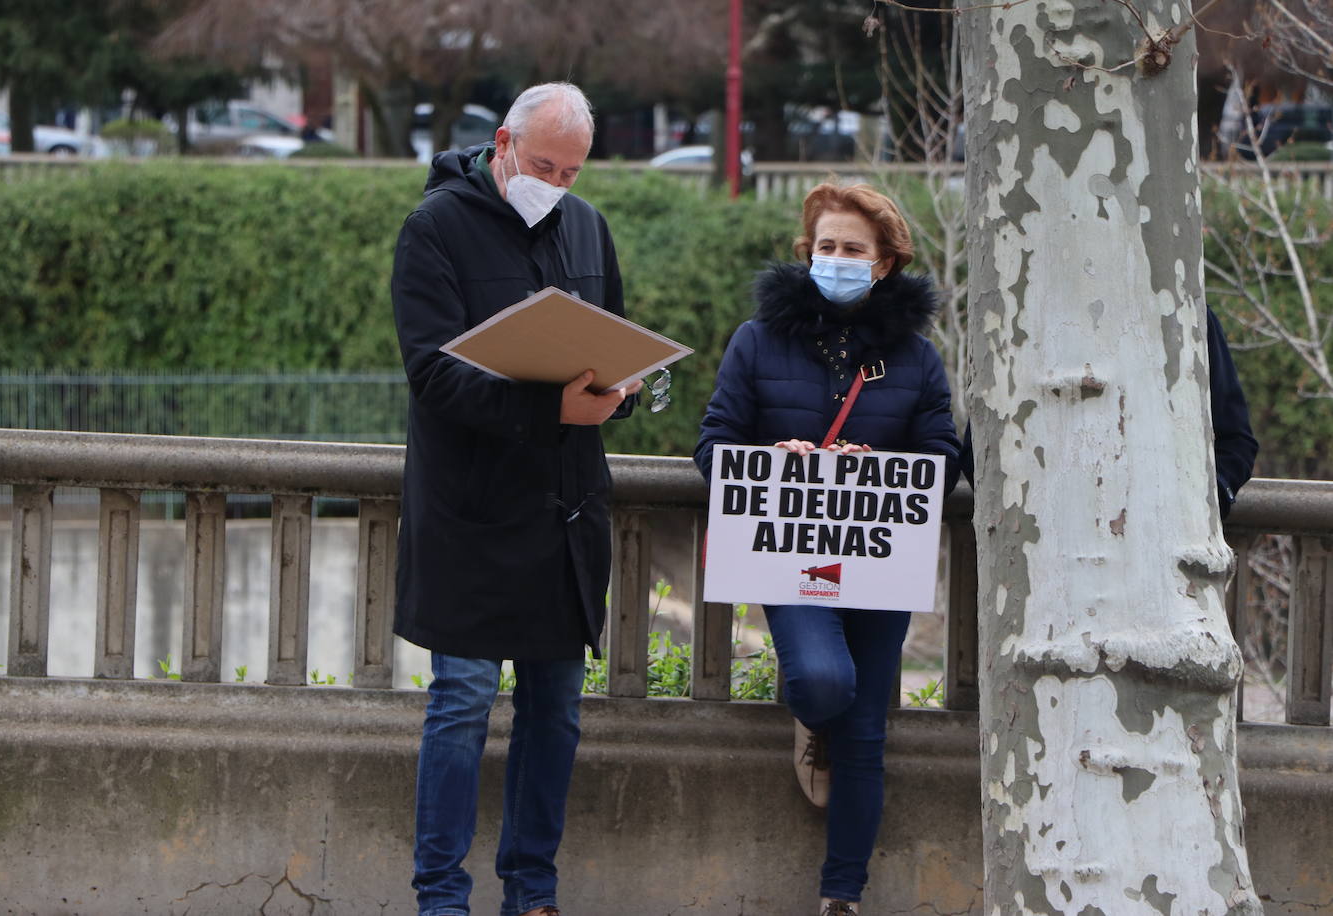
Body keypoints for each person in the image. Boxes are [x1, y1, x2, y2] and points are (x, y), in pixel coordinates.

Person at [390, 82, 641, 916]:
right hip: (470, 511)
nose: (558, 184)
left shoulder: (588, 226)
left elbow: (615, 346)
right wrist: (548, 407)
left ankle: (532, 891)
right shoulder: (433, 228)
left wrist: (625, 392)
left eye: (572, 171)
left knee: (556, 712)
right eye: (544, 165)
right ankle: (440, 897)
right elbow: (431, 374)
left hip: (563, 511)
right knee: (460, 703)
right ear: (502, 143)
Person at [694, 183, 960, 916]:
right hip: (790, 554)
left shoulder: (917, 358)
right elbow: (714, 445)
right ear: (807, 252)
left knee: (867, 736)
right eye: (825, 247)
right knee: (822, 683)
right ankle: (811, 721)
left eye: (853, 249)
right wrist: (775, 459)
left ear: (884, 264)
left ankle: (842, 893)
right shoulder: (756, 341)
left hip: (877, 560)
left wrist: (867, 466)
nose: (835, 259)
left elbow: (942, 455)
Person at [956, 307, 1259, 517]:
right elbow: (980, 453)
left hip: (1163, 567)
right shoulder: (1022, 315)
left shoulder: (1188, 314)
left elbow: (1236, 441)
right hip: (1045, 563)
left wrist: (1207, 500)